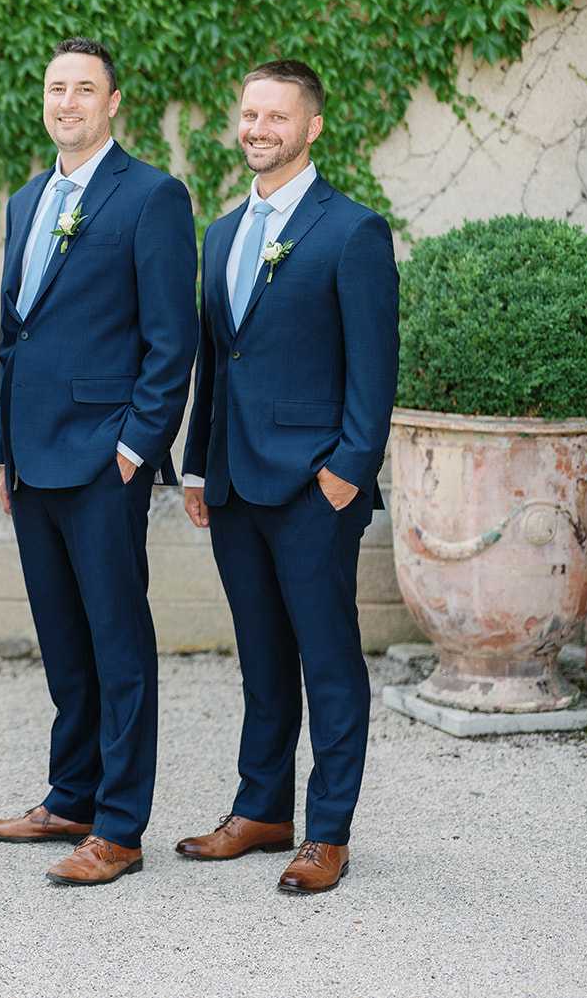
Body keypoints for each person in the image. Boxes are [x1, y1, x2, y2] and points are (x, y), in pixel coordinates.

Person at [175, 59, 398, 895]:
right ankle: (262, 809)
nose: (257, 129)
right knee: (262, 657)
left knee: (328, 658)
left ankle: (327, 830)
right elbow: (217, 361)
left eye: (276, 116)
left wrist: (346, 472)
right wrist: (199, 463)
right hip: (234, 484)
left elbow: (375, 370)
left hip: (314, 488)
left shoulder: (353, 231)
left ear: (313, 128)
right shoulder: (224, 232)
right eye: (248, 114)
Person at [0, 38, 198, 887]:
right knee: (64, 640)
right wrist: (5, 450)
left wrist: (135, 447)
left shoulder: (151, 197)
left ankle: (120, 824)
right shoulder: (26, 199)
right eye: (55, 87)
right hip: (34, 460)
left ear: (113, 103)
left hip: (106, 458)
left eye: (83, 89)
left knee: (117, 640)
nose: (66, 101)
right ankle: (71, 793)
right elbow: (14, 337)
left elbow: (170, 340)